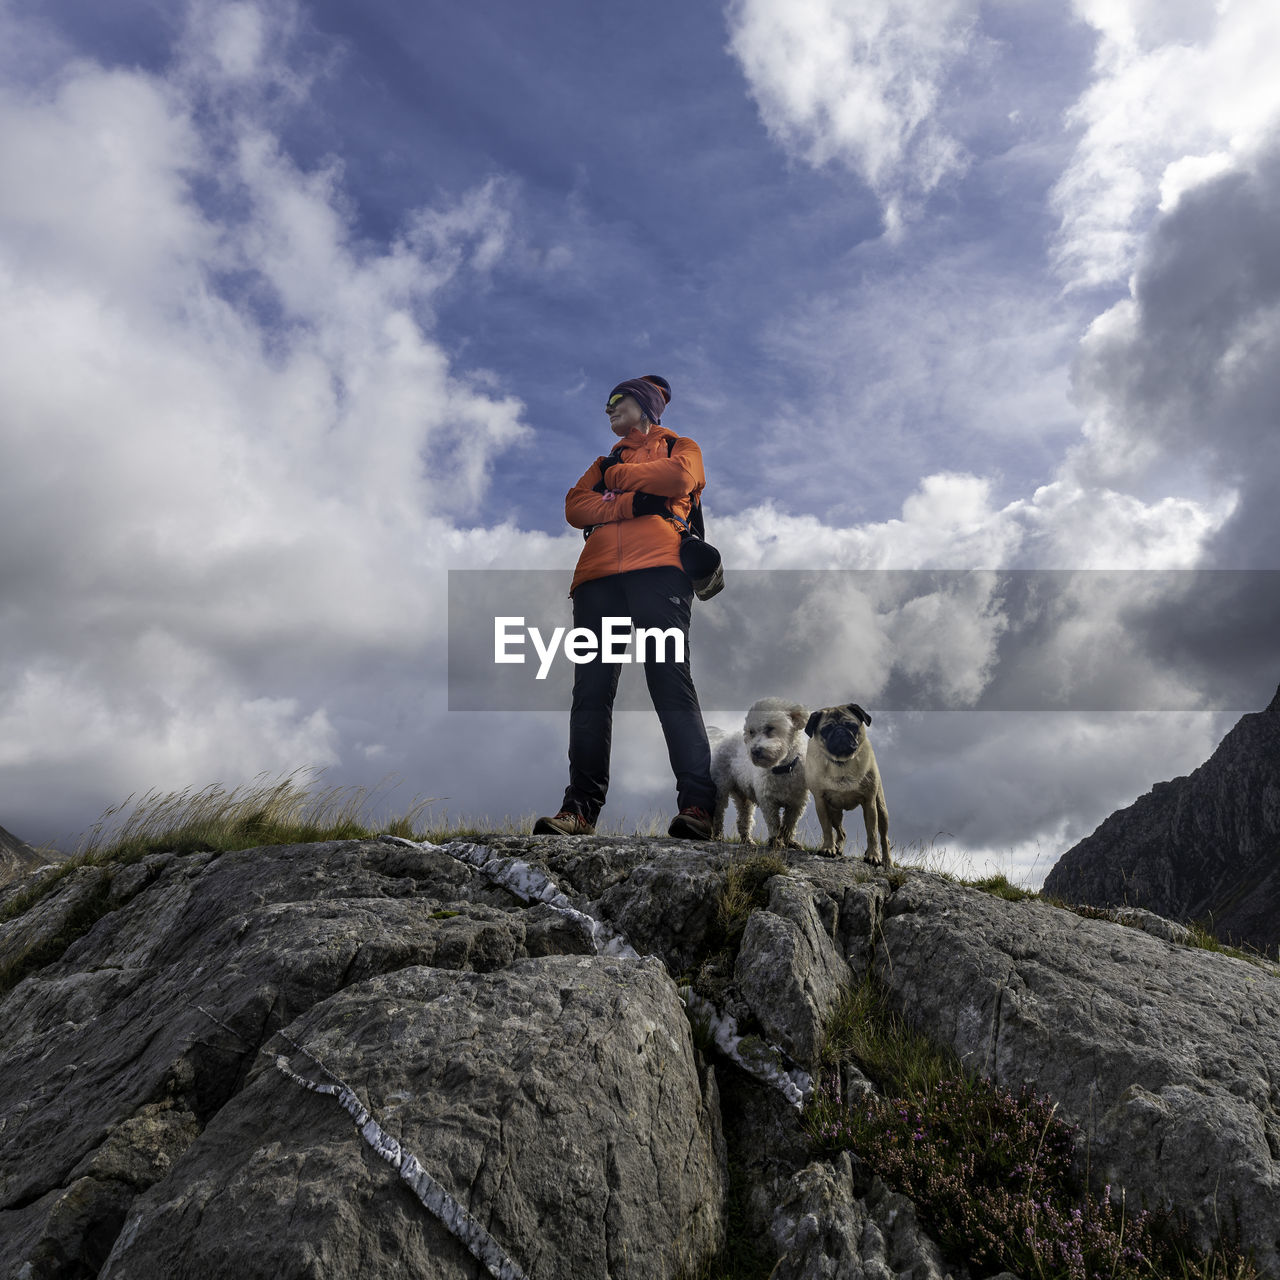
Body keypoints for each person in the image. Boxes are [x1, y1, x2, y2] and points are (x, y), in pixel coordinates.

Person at [534, 375, 717, 839]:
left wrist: (616, 486)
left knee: (669, 681)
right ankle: (578, 812)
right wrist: (637, 501)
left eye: (618, 399)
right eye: (608, 402)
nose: (609, 408)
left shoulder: (679, 445)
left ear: (645, 405)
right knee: (591, 694)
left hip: (660, 568)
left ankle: (698, 808)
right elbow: (576, 507)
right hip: (597, 579)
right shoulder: (603, 460)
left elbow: (679, 479)